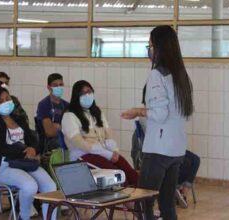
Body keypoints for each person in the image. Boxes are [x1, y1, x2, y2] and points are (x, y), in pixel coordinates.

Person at [121, 25, 194, 220]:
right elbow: (184, 113)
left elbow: (160, 114)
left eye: (151, 45)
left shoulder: (157, 75)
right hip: (176, 149)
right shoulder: (182, 76)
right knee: (167, 203)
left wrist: (138, 111)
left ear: (160, 48)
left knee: (144, 201)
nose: (149, 50)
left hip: (158, 150)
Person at [0, 87, 56, 220]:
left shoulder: (18, 118)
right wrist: (23, 151)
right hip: (4, 165)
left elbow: (32, 138)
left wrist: (33, 148)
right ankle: (24, 216)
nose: (5, 102)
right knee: (30, 186)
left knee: (50, 186)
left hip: (26, 161)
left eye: (7, 99)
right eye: (1, 101)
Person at [61, 80, 138, 187]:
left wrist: (114, 151)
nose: (87, 95)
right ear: (76, 96)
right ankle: (128, 203)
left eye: (89, 92)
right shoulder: (69, 115)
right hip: (83, 156)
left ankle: (139, 203)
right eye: (83, 93)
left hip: (103, 152)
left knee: (132, 175)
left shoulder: (96, 112)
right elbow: (80, 144)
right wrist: (108, 154)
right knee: (119, 177)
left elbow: (108, 133)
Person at [36, 73, 69, 152]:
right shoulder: (44, 104)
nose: (59, 87)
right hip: (49, 142)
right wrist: (63, 128)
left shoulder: (67, 105)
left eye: (61, 85)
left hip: (66, 139)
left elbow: (72, 129)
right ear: (48, 87)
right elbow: (49, 132)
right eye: (55, 85)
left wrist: (57, 126)